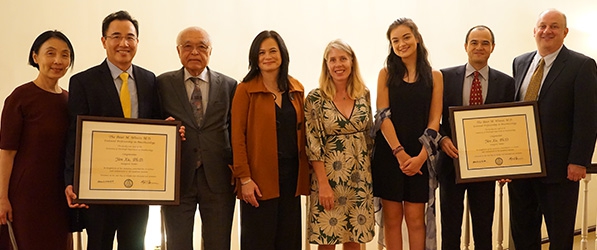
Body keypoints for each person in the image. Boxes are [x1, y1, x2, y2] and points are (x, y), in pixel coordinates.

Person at [64, 10, 162, 250]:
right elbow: (74, 134)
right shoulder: (83, 82)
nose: (123, 43)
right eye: (116, 36)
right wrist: (70, 180)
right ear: (104, 41)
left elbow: (157, 128)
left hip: (138, 188)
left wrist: (171, 130)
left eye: (130, 37)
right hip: (98, 186)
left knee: (135, 244)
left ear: (137, 42)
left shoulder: (150, 80)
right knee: (99, 244)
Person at [508, 9, 597, 250]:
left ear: (565, 32)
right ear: (534, 31)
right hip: (522, 168)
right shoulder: (520, 62)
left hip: (560, 169)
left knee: (559, 234)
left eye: (554, 26)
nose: (547, 31)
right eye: (543, 26)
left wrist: (579, 160)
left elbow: (587, 117)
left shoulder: (582, 65)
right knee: (523, 231)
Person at [157, 26, 237, 250]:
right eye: (188, 46)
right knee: (177, 243)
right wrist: (164, 127)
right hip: (177, 179)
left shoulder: (229, 86)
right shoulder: (162, 84)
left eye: (201, 47)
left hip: (219, 178)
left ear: (210, 51)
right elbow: (153, 122)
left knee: (218, 243)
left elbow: (235, 129)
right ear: (178, 50)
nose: (194, 52)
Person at [231, 30, 310, 250]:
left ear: (282, 54)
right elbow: (237, 137)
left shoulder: (296, 89)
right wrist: (244, 179)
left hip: (291, 177)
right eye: (262, 52)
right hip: (258, 180)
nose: (268, 56)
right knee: (259, 240)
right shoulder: (245, 90)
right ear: (255, 58)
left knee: (289, 239)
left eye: (273, 51)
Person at [438, 25, 515, 250]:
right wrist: (442, 140)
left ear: (492, 48)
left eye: (484, 43)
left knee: (484, 226)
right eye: (474, 42)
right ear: (465, 46)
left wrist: (506, 164)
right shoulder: (444, 77)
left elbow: (508, 126)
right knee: (450, 227)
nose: (479, 47)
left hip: (486, 167)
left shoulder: (506, 83)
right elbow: (433, 118)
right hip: (451, 162)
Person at [371, 18, 443, 250]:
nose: (401, 43)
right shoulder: (385, 74)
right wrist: (400, 154)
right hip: (390, 154)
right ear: (391, 45)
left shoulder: (435, 76)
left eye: (406, 37)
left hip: (420, 154)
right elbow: (382, 116)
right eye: (395, 40)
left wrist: (421, 156)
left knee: (415, 219)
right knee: (393, 220)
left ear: (417, 38)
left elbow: (434, 120)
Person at [0, 30, 74, 250]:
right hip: (26, 196)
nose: (58, 61)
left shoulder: (70, 100)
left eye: (65, 55)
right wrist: (2, 198)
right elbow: (6, 152)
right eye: (50, 53)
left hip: (60, 196)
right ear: (35, 57)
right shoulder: (20, 97)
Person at [305, 39, 375, 250]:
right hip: (329, 178)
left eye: (343, 58)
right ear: (326, 64)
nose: (338, 64)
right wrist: (323, 185)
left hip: (360, 176)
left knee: (354, 236)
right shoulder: (315, 98)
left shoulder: (363, 94)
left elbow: (369, 136)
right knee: (328, 236)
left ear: (352, 62)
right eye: (332, 60)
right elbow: (313, 143)